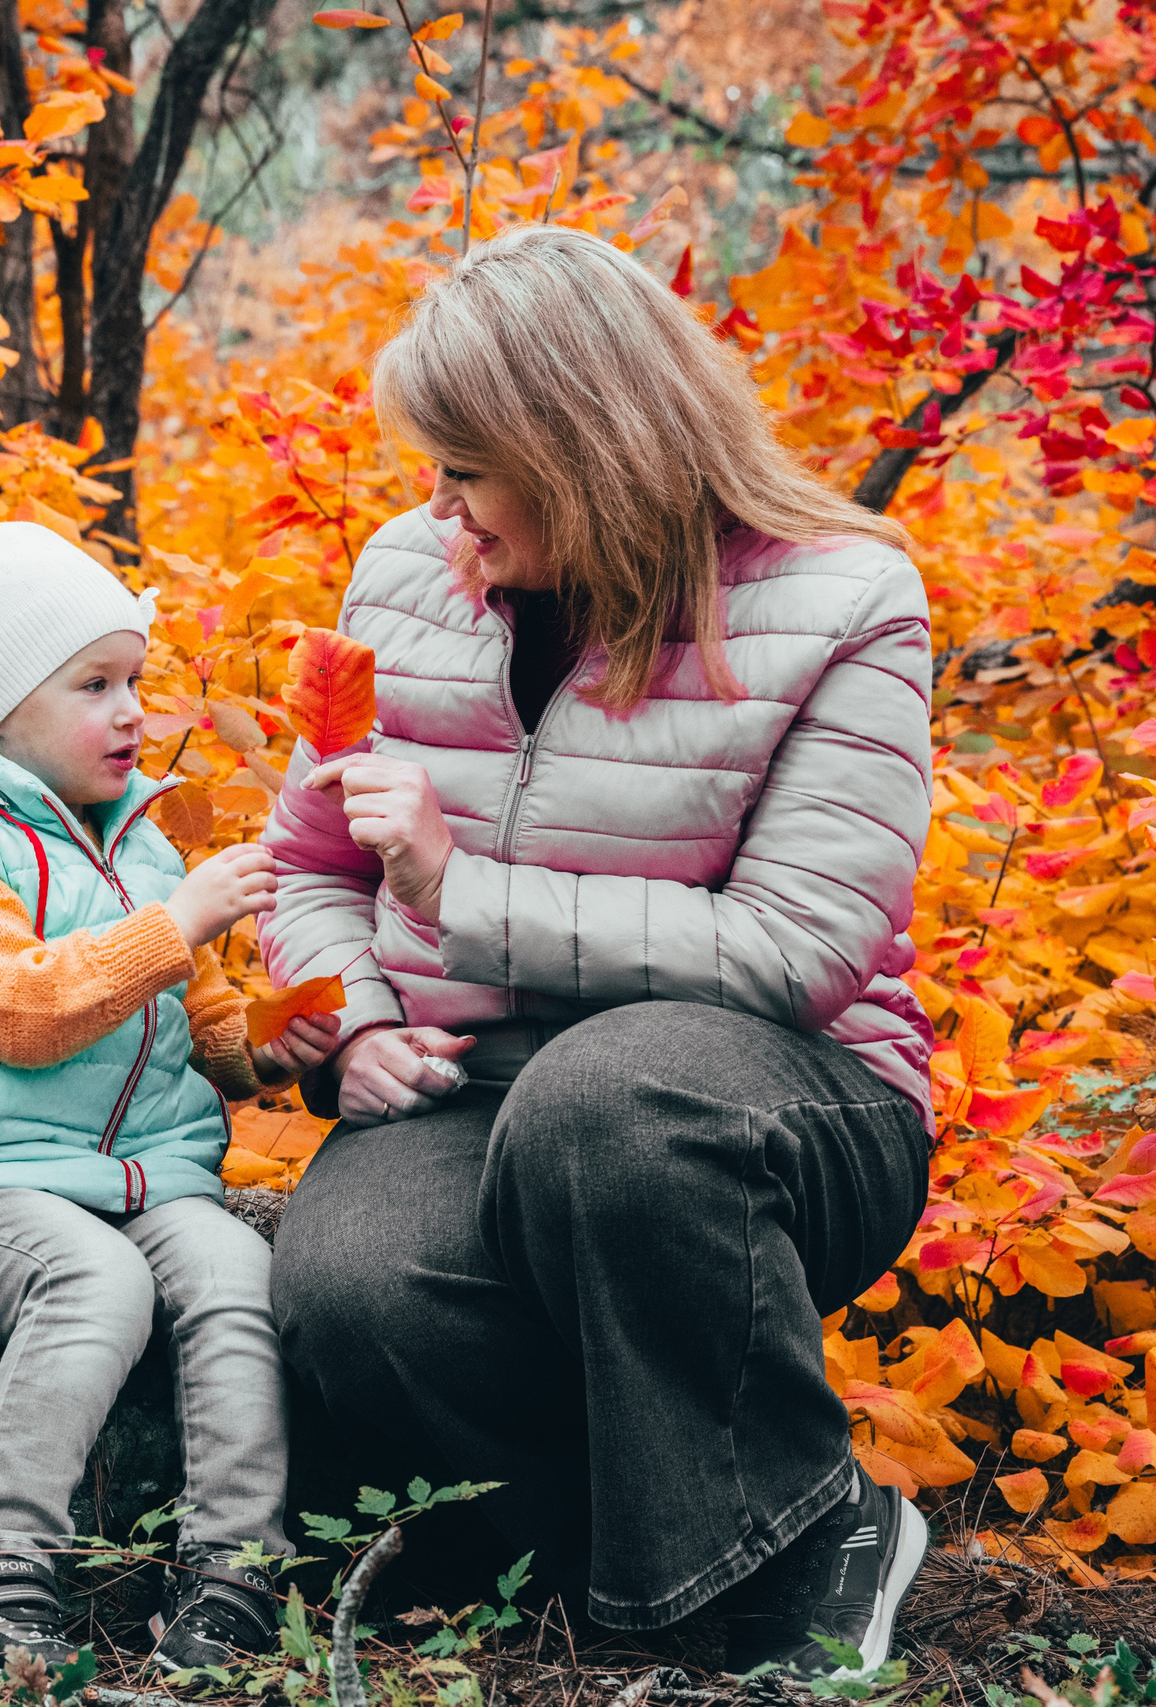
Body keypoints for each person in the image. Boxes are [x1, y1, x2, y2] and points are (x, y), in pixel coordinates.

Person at [258, 226, 936, 1680]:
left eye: (465, 466)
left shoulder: (845, 596)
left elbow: (801, 949)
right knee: (354, 1279)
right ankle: (600, 1555)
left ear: (579, 447)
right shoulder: (400, 578)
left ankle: (809, 1539)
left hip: (776, 1102)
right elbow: (308, 861)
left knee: (604, 1107)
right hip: (467, 1088)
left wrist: (459, 884)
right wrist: (358, 1014)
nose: (436, 505)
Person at [0, 521, 341, 1678]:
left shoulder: (143, 852)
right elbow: (17, 1010)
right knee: (93, 1280)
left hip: (137, 1180)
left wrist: (268, 1045)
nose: (133, 714)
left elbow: (191, 1032)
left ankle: (233, 1575)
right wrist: (177, 926)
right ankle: (0, 1568)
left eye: (138, 683)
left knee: (233, 1273)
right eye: (94, 685)